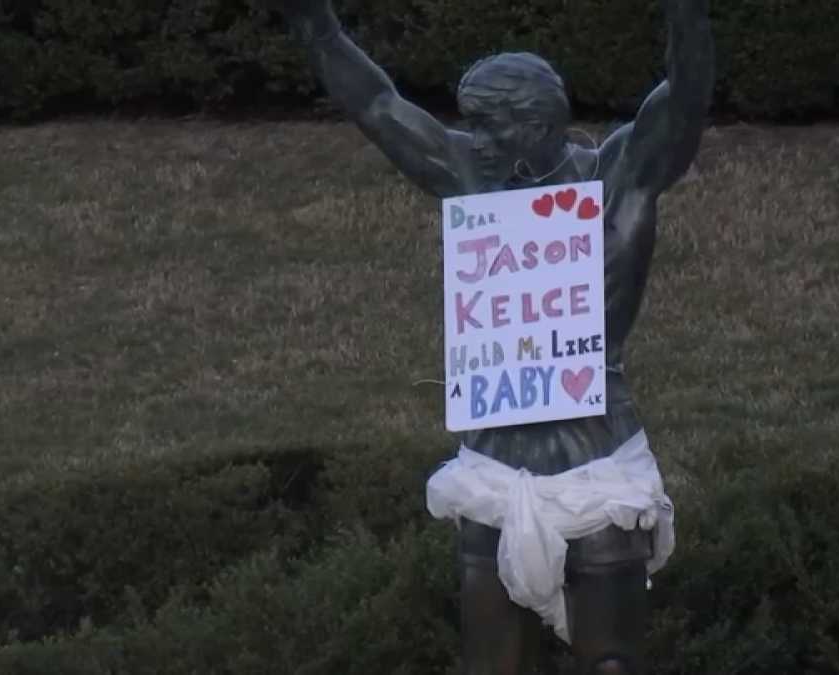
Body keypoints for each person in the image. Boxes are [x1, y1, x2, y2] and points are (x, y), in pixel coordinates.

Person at [283, 2, 714, 673]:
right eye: (469, 124)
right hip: (493, 469)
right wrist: (316, 26)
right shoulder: (471, 180)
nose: (473, 138)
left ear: (537, 124)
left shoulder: (618, 177)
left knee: (612, 666)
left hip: (597, 466)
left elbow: (686, 98)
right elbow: (377, 105)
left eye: (489, 125)